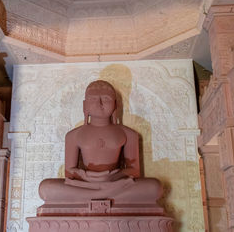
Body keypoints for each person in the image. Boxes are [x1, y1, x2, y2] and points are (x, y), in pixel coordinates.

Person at [38, 80, 164, 215]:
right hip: (85, 185)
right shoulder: (73, 135)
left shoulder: (128, 134)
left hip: (117, 184)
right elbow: (69, 172)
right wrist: (86, 176)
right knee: (46, 188)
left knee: (154, 187)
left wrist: (113, 177)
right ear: (85, 105)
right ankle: (104, 194)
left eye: (106, 99)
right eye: (93, 99)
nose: (99, 104)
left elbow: (134, 171)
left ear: (115, 105)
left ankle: (100, 193)